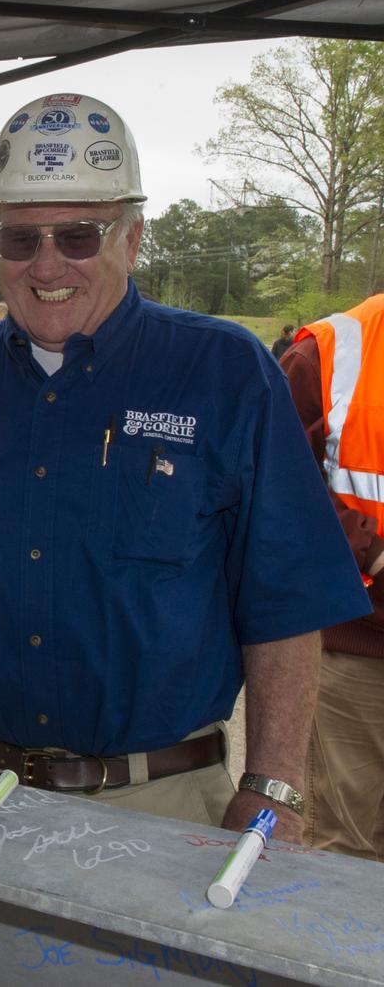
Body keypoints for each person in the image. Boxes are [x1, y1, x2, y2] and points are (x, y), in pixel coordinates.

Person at [0, 91, 369, 841]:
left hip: (160, 805)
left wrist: (274, 785)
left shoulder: (225, 373)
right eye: (21, 240)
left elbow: (284, 605)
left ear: (133, 238)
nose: (47, 263)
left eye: (79, 236)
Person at [281, 303, 384, 860]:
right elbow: (278, 479)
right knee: (343, 856)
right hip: (361, 647)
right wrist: (373, 550)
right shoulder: (330, 349)